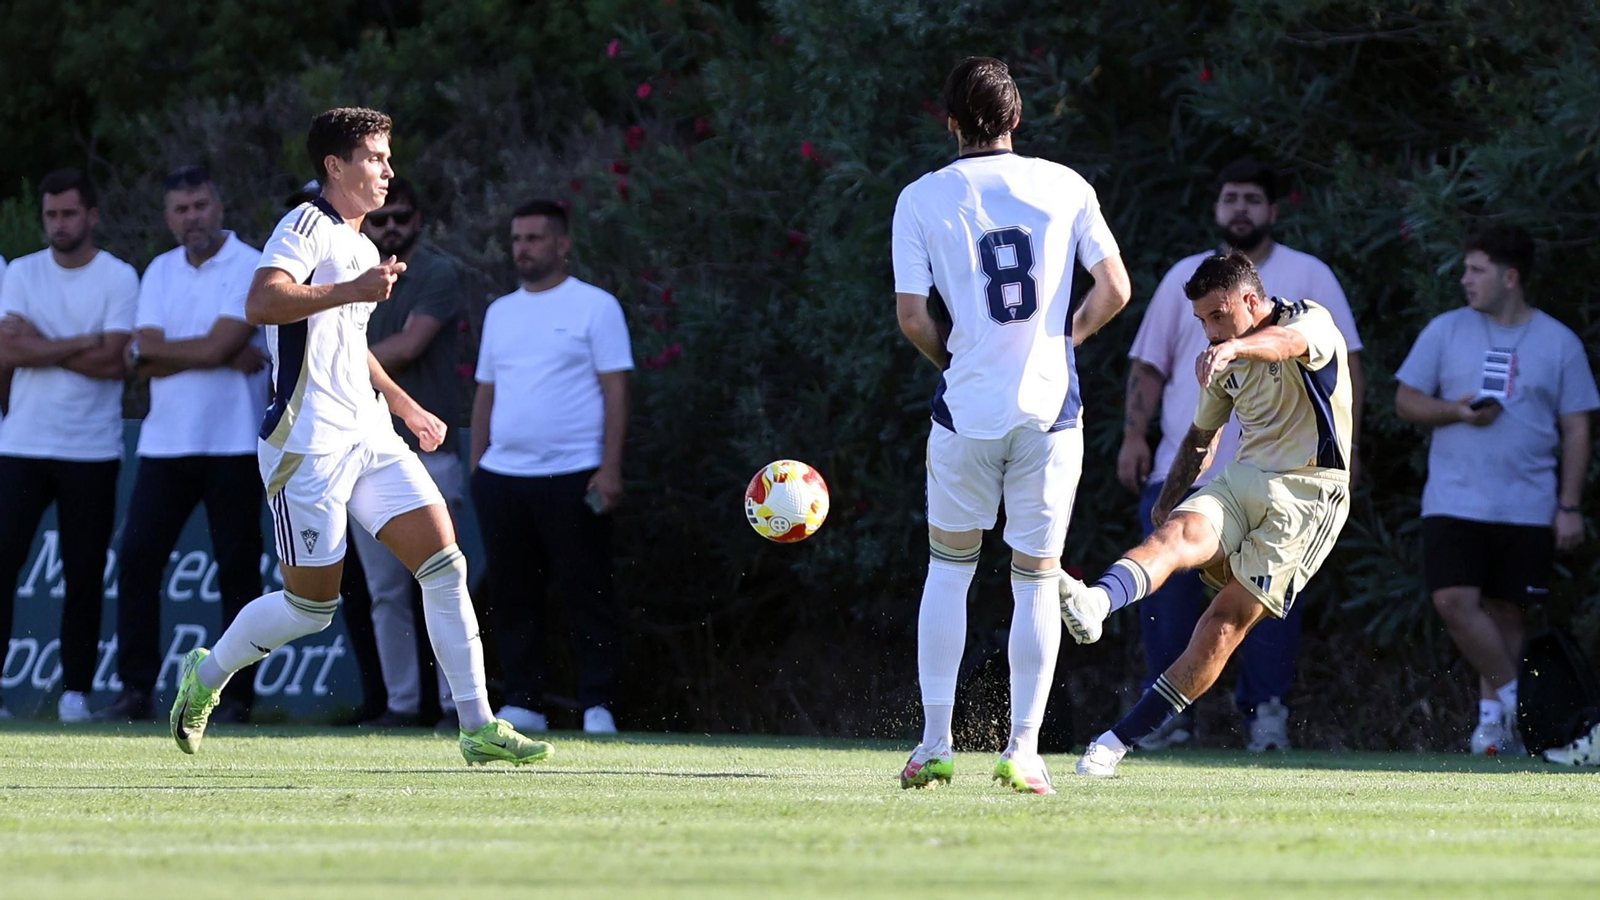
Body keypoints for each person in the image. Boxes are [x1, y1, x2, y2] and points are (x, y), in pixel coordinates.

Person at [164, 107, 552, 766]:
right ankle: (206, 674)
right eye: (376, 157)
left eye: (388, 157)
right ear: (335, 166)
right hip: (305, 444)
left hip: (369, 433)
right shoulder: (304, 224)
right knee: (309, 608)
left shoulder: (366, 245)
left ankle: (477, 725)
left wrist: (404, 405)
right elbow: (262, 302)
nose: (388, 169)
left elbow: (349, 339)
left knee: (444, 562)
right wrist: (350, 288)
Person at [891, 57, 1131, 794]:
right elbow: (1115, 288)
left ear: (951, 120)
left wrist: (953, 360)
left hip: (967, 409)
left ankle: (935, 742)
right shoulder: (1066, 186)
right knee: (1034, 579)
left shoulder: (922, 198)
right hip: (1050, 412)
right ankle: (1023, 751)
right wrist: (1066, 341)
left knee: (949, 572)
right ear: (1017, 119)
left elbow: (911, 317)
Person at [1061, 250, 1353, 778]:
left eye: (1218, 316)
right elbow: (1202, 438)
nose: (1211, 331)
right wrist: (1167, 502)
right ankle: (1096, 603)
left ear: (1250, 300)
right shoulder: (1224, 357)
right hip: (1243, 478)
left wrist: (1237, 346)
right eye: (1202, 321)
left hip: (1310, 494)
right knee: (1177, 533)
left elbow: (1287, 345)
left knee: (1223, 623)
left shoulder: (1307, 320)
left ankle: (1114, 742)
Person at [1118, 158, 1366, 751]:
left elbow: (1325, 353)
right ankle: (1159, 718)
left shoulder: (1308, 279)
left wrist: (1238, 351)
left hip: (1296, 482)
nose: (1240, 208)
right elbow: (1149, 365)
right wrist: (1135, 437)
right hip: (1211, 472)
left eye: (1251, 198)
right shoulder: (1190, 277)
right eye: (1229, 197)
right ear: (1216, 208)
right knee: (1169, 575)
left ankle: (1267, 714)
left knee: (1254, 608)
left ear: (1272, 210)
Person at [1394, 224, 1597, 755]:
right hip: (1454, 501)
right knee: (1453, 600)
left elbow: (1577, 427)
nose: (1465, 280)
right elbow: (1406, 401)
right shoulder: (1445, 331)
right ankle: (1527, 707)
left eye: (1476, 270)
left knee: (1508, 613)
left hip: (1527, 506)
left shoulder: (1559, 342)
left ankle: (1494, 728)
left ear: (1510, 277)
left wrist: (1568, 507)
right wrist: (1457, 411)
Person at [95, 166, 270, 723]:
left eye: (200, 205)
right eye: (180, 208)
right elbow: (144, 353)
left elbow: (201, 350)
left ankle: (236, 697)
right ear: (168, 216)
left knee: (238, 573)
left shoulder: (251, 264)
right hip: (165, 445)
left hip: (235, 445)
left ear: (220, 207)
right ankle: (136, 690)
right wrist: (195, 353)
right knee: (139, 563)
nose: (191, 217)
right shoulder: (160, 269)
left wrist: (166, 356)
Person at [470, 199, 632, 735]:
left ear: (563, 244)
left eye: (536, 238)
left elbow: (616, 391)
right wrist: (479, 469)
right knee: (514, 596)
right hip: (503, 479)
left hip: (575, 476)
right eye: (517, 239)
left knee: (588, 593)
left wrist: (609, 469)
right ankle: (524, 702)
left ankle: (599, 704)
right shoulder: (500, 312)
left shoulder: (596, 306)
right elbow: (485, 393)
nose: (524, 248)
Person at [0, 168, 138, 722]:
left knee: (83, 576)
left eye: (69, 214)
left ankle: (75, 694)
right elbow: (7, 353)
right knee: (2, 567)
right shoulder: (23, 271)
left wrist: (41, 344)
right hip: (21, 446)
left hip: (92, 450)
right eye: (51, 215)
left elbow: (113, 366)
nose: (59, 224)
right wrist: (84, 341)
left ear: (92, 215)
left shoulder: (119, 276)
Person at [350, 176, 466, 729]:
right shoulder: (352, 271)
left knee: (442, 580)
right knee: (384, 594)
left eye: (402, 217)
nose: (391, 227)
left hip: (430, 446)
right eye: (382, 219)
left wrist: (331, 357)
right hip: (367, 451)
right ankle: (400, 706)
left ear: (419, 219)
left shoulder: (435, 272)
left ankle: (454, 706)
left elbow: (409, 344)